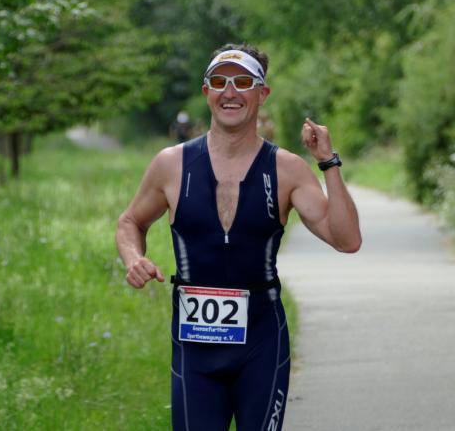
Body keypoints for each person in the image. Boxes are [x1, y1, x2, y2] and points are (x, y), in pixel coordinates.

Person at [115, 43, 361, 431]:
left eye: (243, 82)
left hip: (262, 345)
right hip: (194, 349)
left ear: (262, 94)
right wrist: (133, 258)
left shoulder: (287, 169)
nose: (230, 92)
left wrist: (328, 163)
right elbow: (130, 221)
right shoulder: (171, 164)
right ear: (206, 92)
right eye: (219, 82)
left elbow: (346, 240)